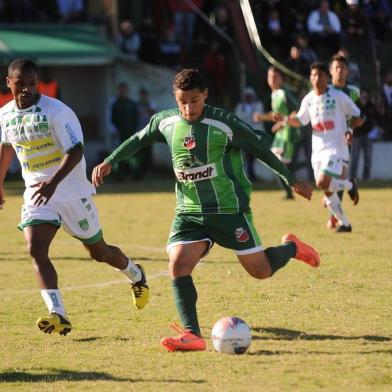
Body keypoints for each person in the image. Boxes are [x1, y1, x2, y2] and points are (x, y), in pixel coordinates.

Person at [92, 68, 320, 352]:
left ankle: (291, 248)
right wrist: (110, 161)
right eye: (182, 101)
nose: (188, 108)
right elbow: (139, 140)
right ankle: (192, 334)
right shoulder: (165, 122)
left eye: (195, 100)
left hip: (228, 210)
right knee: (178, 264)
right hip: (189, 212)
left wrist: (291, 178)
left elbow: (260, 149)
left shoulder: (224, 123)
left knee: (260, 271)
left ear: (206, 96)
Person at [0, 59, 149, 336]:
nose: (26, 90)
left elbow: (76, 150)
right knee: (36, 250)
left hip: (71, 192)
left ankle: (135, 274)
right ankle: (58, 313)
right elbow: (7, 146)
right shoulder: (5, 114)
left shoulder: (58, 112)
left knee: (99, 252)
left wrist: (53, 184)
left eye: (31, 83)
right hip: (37, 193)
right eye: (20, 84)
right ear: (8, 82)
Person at [274, 62, 361, 233]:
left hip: (337, 147)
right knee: (326, 189)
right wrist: (285, 119)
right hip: (318, 151)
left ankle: (349, 187)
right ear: (310, 78)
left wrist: (350, 129)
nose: (316, 79)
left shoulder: (338, 96)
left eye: (320, 75)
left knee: (323, 182)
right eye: (313, 75)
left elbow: (357, 114)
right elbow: (300, 120)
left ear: (326, 78)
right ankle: (345, 222)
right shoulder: (309, 99)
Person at [253, 66, 301, 199]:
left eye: (275, 76)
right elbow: (276, 115)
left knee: (278, 164)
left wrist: (282, 123)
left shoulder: (284, 92)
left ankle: (292, 191)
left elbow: (297, 110)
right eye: (270, 76)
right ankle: (290, 192)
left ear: (281, 78)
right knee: (276, 163)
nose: (272, 79)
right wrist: (261, 117)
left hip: (289, 134)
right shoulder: (274, 94)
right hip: (281, 135)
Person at [327, 54, 361, 229]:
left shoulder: (354, 92)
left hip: (344, 141)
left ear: (348, 71)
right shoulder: (325, 91)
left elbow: (358, 116)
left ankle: (335, 217)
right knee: (331, 179)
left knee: (338, 177)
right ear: (331, 71)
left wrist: (350, 130)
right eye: (336, 68)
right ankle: (334, 209)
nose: (339, 71)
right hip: (325, 141)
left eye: (342, 68)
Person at [105, 82, 139, 179]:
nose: (123, 91)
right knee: (117, 154)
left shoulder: (132, 103)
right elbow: (108, 118)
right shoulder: (114, 103)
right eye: (121, 89)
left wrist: (136, 131)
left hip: (131, 134)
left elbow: (136, 118)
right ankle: (118, 175)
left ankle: (135, 174)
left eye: (125, 89)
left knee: (133, 154)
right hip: (118, 134)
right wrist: (114, 131)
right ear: (118, 90)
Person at [234, 86, 266, 181]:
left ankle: (253, 176)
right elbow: (237, 118)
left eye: (250, 96)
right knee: (247, 157)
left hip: (257, 135)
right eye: (246, 96)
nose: (248, 98)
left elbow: (255, 119)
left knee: (256, 156)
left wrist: (246, 118)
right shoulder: (240, 106)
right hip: (245, 135)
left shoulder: (258, 104)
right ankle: (250, 176)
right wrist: (249, 118)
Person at [350, 89, 379, 180]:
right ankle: (352, 178)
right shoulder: (355, 105)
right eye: (362, 96)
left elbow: (376, 118)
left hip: (368, 136)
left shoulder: (371, 105)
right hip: (357, 136)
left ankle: (366, 178)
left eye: (365, 96)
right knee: (354, 158)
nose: (364, 97)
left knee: (368, 159)